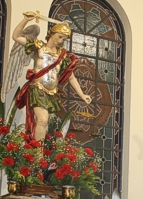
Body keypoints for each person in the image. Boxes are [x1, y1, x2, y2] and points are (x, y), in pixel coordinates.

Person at [11, 11, 92, 141]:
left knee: (44, 122)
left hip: (52, 92)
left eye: (64, 39)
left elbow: (70, 76)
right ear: (52, 33)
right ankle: (38, 151)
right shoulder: (39, 47)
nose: (61, 41)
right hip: (38, 88)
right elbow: (16, 37)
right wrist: (25, 20)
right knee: (42, 120)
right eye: (59, 37)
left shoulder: (63, 55)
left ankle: (39, 148)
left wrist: (82, 94)